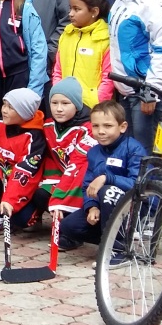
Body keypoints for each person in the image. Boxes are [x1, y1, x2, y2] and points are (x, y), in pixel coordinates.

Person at [108, 0, 162, 149]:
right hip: (124, 89)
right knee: (128, 152)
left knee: (145, 155)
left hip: (144, 91)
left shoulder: (154, 4)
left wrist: (151, 92)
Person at [57, 100, 143, 252]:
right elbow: (88, 185)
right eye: (96, 126)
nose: (101, 131)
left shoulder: (134, 148)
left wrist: (107, 178)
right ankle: (108, 239)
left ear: (122, 127)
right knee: (68, 226)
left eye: (108, 126)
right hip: (104, 208)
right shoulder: (93, 152)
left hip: (133, 208)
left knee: (107, 190)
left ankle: (118, 249)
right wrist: (92, 206)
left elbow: (139, 183)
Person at [0, 87, 47, 237]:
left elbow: (25, 172)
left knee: (21, 220)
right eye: (4, 104)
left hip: (24, 185)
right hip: (2, 179)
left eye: (11, 107)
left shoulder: (34, 138)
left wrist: (10, 200)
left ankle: (35, 216)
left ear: (24, 112)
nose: (4, 110)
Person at [42, 77, 96, 219]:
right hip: (62, 178)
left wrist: (58, 198)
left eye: (65, 103)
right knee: (39, 194)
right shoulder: (47, 126)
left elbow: (78, 165)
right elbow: (51, 161)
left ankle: (72, 221)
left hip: (83, 181)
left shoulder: (89, 129)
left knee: (70, 223)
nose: (59, 109)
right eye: (54, 103)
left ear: (77, 105)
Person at [53, 0, 113, 107]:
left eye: (77, 9)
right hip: (64, 105)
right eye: (70, 8)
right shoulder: (66, 34)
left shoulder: (105, 38)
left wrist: (96, 101)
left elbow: (108, 78)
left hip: (93, 106)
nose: (70, 14)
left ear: (94, 12)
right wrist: (58, 94)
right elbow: (58, 71)